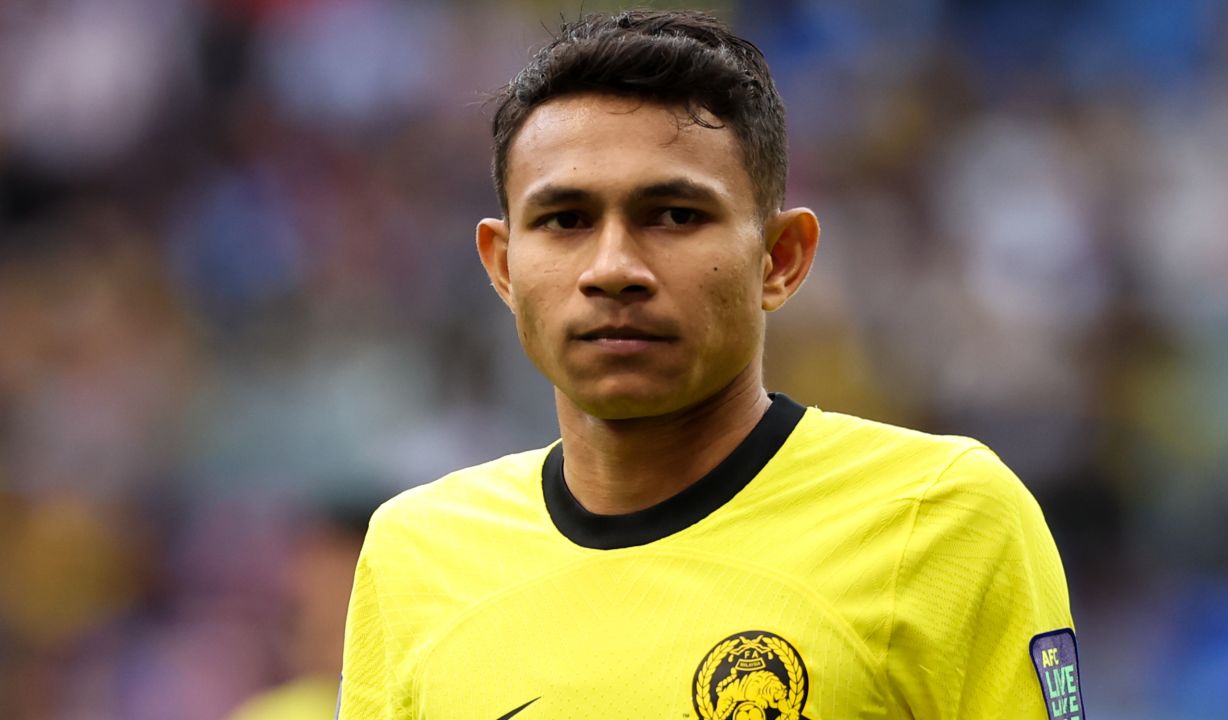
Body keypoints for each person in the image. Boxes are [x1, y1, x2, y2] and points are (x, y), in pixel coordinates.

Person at [338, 10, 1082, 720]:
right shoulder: (414, 555)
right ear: (502, 267)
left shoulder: (945, 519)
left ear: (780, 258)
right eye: (565, 220)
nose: (613, 268)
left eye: (675, 216)